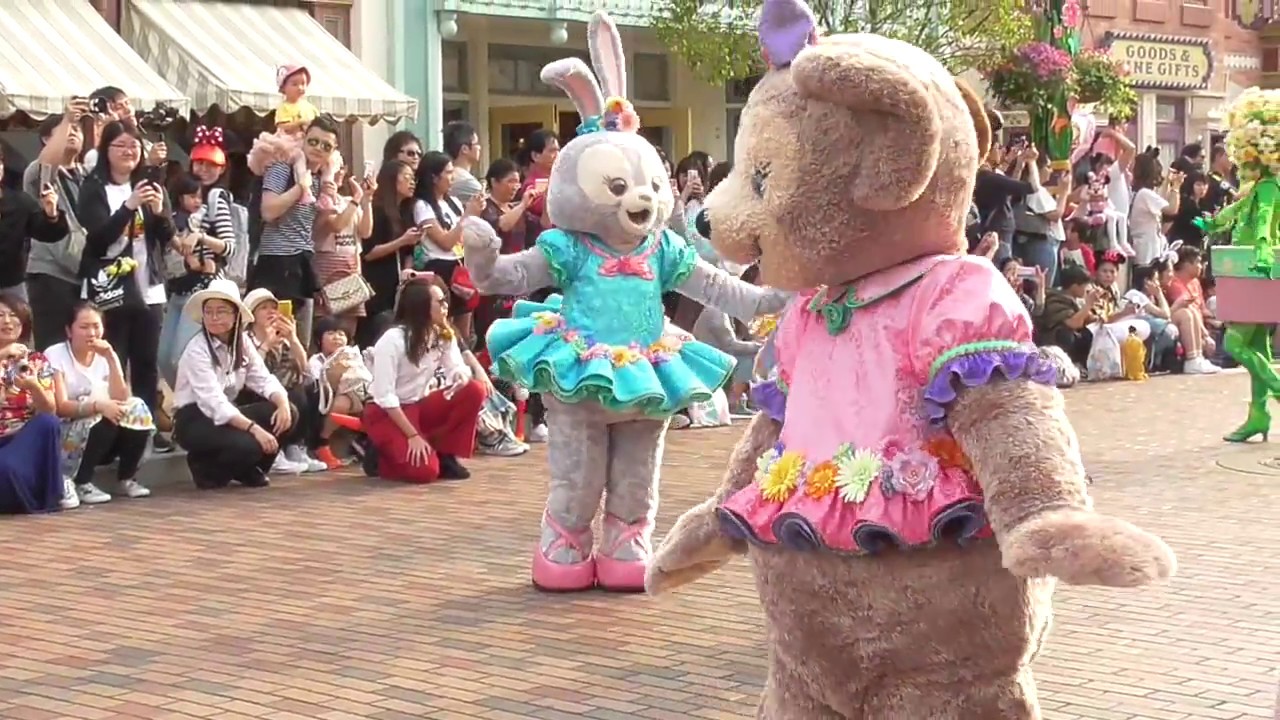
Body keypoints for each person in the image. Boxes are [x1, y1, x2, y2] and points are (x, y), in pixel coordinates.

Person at [76, 121, 173, 450]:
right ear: (106, 150)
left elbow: (167, 236)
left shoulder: (150, 185)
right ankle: (108, 437)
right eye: (121, 145)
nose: (130, 151)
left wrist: (159, 212)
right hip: (111, 289)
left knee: (146, 362)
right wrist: (128, 206)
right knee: (111, 358)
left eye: (135, 145)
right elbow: (97, 239)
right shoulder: (94, 187)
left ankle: (141, 433)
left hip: (150, 287)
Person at [172, 279, 298, 489]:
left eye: (221, 311)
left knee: (289, 412)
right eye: (209, 311)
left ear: (236, 315)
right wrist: (254, 429)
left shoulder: (242, 342)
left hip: (227, 412)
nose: (213, 318)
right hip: (194, 418)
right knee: (249, 443)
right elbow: (214, 402)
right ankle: (206, 470)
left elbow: (263, 379)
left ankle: (249, 469)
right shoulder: (197, 349)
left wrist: (283, 404)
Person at [364, 278, 485, 483]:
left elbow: (457, 367)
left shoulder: (442, 334)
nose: (446, 306)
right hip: (387, 413)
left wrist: (459, 377)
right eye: (439, 301)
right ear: (421, 307)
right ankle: (380, 457)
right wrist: (412, 435)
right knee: (424, 473)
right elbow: (384, 396)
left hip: (419, 405)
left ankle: (445, 453)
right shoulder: (393, 340)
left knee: (474, 390)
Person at [47, 303, 153, 508]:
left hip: (100, 424)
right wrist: (97, 406)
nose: (92, 333)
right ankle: (81, 481)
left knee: (136, 407)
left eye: (96, 326)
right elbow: (60, 406)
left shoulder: (104, 355)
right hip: (67, 428)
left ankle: (127, 478)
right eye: (84, 327)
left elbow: (121, 397)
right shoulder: (56, 355)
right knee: (104, 416)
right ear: (69, 330)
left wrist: (112, 359)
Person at [158, 125, 237, 390]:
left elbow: (229, 247)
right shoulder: (180, 199)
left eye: (210, 164)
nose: (203, 169)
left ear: (222, 168)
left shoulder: (216, 198)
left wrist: (200, 237)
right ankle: (188, 407)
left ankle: (196, 410)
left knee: (182, 356)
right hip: (179, 287)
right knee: (165, 357)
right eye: (198, 162)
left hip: (205, 288)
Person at [253, 116, 342, 348]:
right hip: (277, 263)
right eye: (313, 141)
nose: (318, 149)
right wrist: (300, 187)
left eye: (326, 146)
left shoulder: (321, 178)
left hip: (303, 264)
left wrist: (328, 199)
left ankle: (296, 385)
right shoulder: (283, 166)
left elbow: (315, 230)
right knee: (273, 342)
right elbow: (268, 210)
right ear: (303, 140)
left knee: (298, 344)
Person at [26, 105, 92, 352]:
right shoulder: (39, 173)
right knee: (52, 348)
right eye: (65, 130)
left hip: (85, 272)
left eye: (77, 128)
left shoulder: (88, 175)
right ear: (47, 139)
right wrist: (67, 118)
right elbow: (47, 162)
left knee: (81, 348)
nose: (73, 132)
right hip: (51, 274)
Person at [243, 288, 325, 474]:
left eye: (274, 307)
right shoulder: (245, 339)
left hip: (277, 390)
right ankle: (276, 453)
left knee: (307, 388)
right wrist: (266, 346)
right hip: (249, 394)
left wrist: (293, 338)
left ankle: (295, 447)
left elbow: (305, 370)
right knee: (281, 392)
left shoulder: (281, 338)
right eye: (263, 308)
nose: (271, 312)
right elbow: (250, 375)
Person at [411, 151, 487, 342]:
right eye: (448, 173)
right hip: (438, 268)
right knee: (445, 326)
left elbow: (464, 236)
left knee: (465, 325)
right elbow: (445, 242)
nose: (452, 178)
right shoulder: (422, 206)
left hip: (460, 264)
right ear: (434, 177)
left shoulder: (451, 202)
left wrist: (475, 214)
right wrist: (467, 216)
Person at [0, 293, 62, 514]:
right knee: (5, 469)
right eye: (0, 315)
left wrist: (34, 385)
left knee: (48, 423)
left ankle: (48, 497)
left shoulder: (36, 360)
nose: (7, 321)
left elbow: (50, 409)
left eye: (13, 315)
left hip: (22, 437)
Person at [358, 160, 420, 348]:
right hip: (376, 284)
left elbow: (408, 252)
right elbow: (368, 253)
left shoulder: (405, 212)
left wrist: (408, 273)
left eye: (413, 179)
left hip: (397, 285)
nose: (412, 183)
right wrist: (402, 240)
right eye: (406, 177)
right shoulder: (377, 211)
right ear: (392, 180)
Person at [312, 162, 373, 339]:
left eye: (341, 168)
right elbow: (337, 225)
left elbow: (365, 231)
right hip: (326, 267)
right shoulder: (320, 202)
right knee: (325, 329)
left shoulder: (347, 201)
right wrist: (356, 198)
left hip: (351, 268)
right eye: (332, 168)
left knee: (347, 333)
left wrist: (366, 199)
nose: (338, 173)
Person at [247, 64, 322, 205]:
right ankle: (304, 187)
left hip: (309, 140)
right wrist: (300, 123)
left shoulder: (309, 107)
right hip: (291, 141)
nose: (300, 88)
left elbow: (319, 124)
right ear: (284, 88)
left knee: (331, 160)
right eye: (295, 84)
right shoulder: (284, 107)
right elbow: (282, 126)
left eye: (303, 84)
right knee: (299, 158)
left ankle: (328, 192)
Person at [308, 316, 371, 468]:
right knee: (343, 401)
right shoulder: (316, 361)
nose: (337, 338)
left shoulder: (354, 357)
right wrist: (333, 375)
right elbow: (318, 389)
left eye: (341, 334)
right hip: (324, 403)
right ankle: (322, 442)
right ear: (319, 339)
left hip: (358, 398)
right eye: (330, 333)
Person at [443, 121, 484, 203]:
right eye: (476, 143)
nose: (479, 147)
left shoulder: (453, 174)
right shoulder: (466, 181)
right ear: (464, 149)